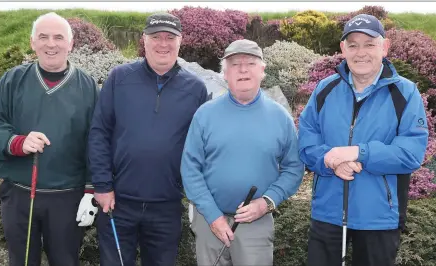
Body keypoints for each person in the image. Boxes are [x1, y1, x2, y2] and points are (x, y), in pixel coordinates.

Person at [298, 14, 429, 266]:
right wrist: (329, 159)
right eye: (353, 44)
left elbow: (411, 153)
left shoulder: (405, 92)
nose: (361, 52)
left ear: (385, 47)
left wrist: (359, 152)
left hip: (378, 218)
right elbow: (306, 141)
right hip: (328, 215)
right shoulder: (324, 89)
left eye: (370, 44)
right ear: (342, 49)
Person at [88, 12, 208, 266]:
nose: (163, 44)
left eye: (170, 37)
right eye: (156, 37)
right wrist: (101, 185)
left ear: (180, 41)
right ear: (144, 39)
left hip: (166, 206)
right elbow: (99, 132)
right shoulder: (119, 78)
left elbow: (202, 146)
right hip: (118, 202)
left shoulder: (196, 89)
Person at [0, 12, 99, 266]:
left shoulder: (87, 86)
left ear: (71, 43)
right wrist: (16, 142)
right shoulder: (12, 80)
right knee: (22, 261)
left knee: (66, 261)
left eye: (58, 37)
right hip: (19, 196)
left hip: (68, 199)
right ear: (32, 42)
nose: (51, 44)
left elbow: (98, 140)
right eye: (43, 37)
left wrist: (91, 191)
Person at [181, 39, 304, 266]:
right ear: (225, 73)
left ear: (262, 70)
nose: (243, 69)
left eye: (250, 63)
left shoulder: (280, 117)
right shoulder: (204, 115)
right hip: (210, 221)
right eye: (235, 64)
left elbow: (294, 167)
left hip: (255, 224)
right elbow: (190, 169)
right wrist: (213, 216)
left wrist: (267, 201)